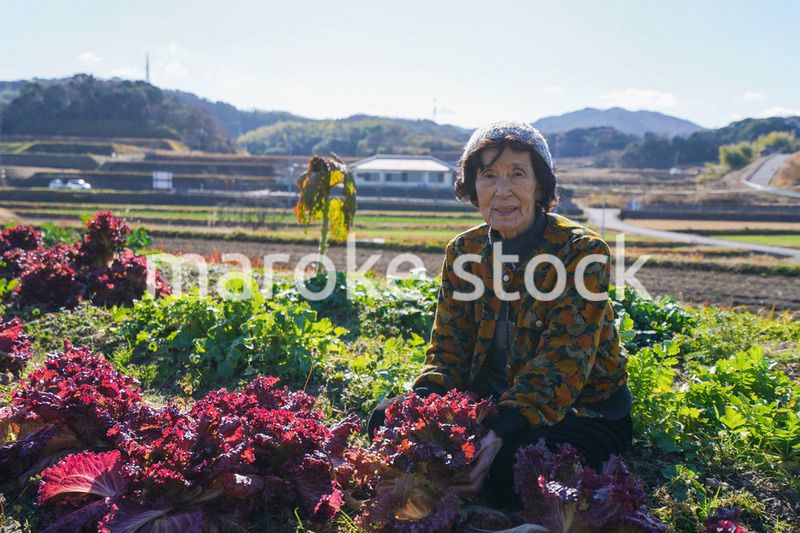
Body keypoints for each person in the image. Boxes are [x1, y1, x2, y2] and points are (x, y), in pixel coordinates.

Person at [367, 121, 632, 509]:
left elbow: (561, 362)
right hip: (489, 402)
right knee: (385, 418)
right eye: (488, 175)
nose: (502, 191)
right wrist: (424, 406)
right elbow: (447, 348)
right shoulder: (464, 251)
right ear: (472, 187)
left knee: (514, 465)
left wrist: (501, 431)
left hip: (577, 410)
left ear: (541, 186)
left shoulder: (580, 252)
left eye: (517, 174)